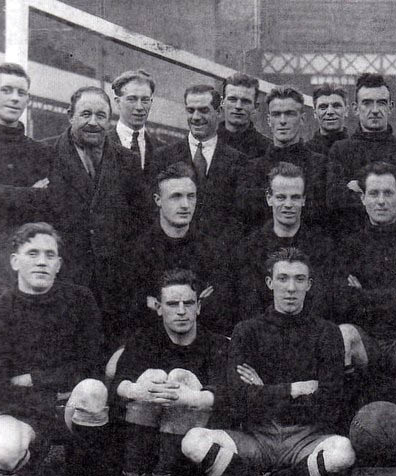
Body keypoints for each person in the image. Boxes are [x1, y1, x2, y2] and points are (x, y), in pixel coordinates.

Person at [180, 248, 355, 476]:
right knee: (193, 441)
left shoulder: (327, 333)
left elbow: (328, 403)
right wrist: (294, 389)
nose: (291, 288)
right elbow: (238, 400)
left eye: (299, 279)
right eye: (283, 278)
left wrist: (263, 390)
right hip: (256, 437)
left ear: (309, 284)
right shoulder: (247, 331)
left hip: (306, 437)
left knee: (343, 452)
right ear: (270, 283)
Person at [0, 223, 108, 476]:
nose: (42, 261)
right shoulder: (1, 309)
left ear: (59, 264)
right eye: (32, 253)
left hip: (70, 404)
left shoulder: (80, 300)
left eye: (49, 254)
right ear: (15, 261)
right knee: (4, 450)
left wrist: (35, 378)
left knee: (92, 390)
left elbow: (91, 365)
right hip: (23, 411)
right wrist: (44, 393)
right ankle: (26, 470)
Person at [106, 269, 229, 476]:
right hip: (143, 443)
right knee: (153, 377)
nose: (181, 311)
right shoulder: (144, 341)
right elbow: (117, 384)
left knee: (180, 377)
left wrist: (190, 397)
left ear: (199, 307)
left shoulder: (216, 345)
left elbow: (228, 394)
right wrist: (138, 390)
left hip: (191, 447)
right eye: (173, 304)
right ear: (159, 307)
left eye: (188, 303)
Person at [333, 162, 396, 424]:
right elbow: (341, 303)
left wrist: (365, 295)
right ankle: (348, 426)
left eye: (388, 193)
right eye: (374, 193)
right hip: (365, 340)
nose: (381, 201)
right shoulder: (347, 245)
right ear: (363, 198)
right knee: (343, 334)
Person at [47, 85, 148, 334]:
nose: (93, 122)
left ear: (109, 119)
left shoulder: (128, 161)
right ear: (69, 115)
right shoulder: (46, 153)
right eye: (85, 114)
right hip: (64, 283)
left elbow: (141, 222)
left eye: (101, 116)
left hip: (114, 288)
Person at [123, 162, 234, 338]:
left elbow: (217, 308)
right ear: (158, 200)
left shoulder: (212, 250)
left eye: (191, 196)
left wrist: (160, 304)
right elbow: (134, 310)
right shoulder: (137, 250)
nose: (185, 205)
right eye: (176, 196)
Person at [235, 162, 335, 321]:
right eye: (281, 197)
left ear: (303, 200)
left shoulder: (322, 246)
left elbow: (322, 302)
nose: (288, 205)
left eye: (295, 197)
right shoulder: (250, 247)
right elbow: (249, 304)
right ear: (269, 199)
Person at [327, 73, 396, 234]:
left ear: (390, 107)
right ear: (356, 108)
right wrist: (391, 192)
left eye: (381, 103)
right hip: (353, 240)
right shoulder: (340, 150)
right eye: (367, 103)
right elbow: (335, 199)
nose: (375, 110)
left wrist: (360, 187)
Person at [153, 84, 249, 245]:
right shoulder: (162, 156)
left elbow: (240, 217)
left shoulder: (239, 161)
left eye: (203, 110)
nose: (196, 117)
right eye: (191, 110)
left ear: (218, 112)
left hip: (219, 256)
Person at [0, 63, 53, 290]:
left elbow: (47, 203)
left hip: (27, 272)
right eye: (7, 90)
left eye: (22, 92)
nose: (15, 98)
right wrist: (29, 194)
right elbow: (35, 199)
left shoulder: (40, 152)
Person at [240, 86, 328, 228]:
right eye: (276, 114)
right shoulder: (251, 169)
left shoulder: (321, 165)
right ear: (269, 120)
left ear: (303, 119)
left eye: (289, 114)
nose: (282, 121)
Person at [110, 69, 162, 171]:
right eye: (132, 99)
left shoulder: (162, 150)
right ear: (117, 102)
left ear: (151, 102)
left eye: (145, 100)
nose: (139, 107)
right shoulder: (101, 143)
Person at [216, 72, 271, 159]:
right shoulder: (207, 141)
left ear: (255, 107)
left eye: (245, 101)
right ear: (222, 102)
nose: (238, 106)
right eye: (232, 99)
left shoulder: (268, 149)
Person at [306, 84, 349, 156]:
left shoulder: (358, 149)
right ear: (315, 113)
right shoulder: (305, 151)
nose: (330, 112)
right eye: (323, 107)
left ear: (346, 111)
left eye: (336, 106)